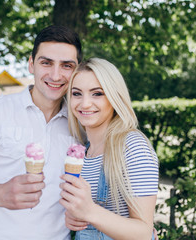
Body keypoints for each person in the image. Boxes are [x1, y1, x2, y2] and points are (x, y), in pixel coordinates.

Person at [0, 25, 82, 240]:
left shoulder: (82, 121)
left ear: (77, 71)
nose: (56, 75)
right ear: (31, 64)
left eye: (67, 65)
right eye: (46, 63)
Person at [59, 58, 159, 240]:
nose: (85, 103)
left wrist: (90, 211)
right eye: (77, 93)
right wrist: (76, 218)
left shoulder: (132, 146)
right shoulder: (84, 152)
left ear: (114, 97)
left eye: (97, 93)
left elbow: (144, 233)